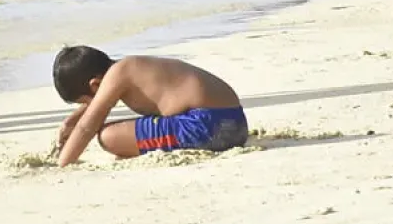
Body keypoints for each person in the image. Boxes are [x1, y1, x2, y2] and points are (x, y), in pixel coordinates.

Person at [51, 45, 248, 165]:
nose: (88, 107)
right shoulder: (128, 67)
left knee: (108, 136)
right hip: (235, 123)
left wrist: (64, 163)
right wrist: (70, 123)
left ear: (95, 84)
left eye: (86, 101)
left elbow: (88, 126)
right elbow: (92, 110)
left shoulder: (117, 76)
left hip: (207, 127)